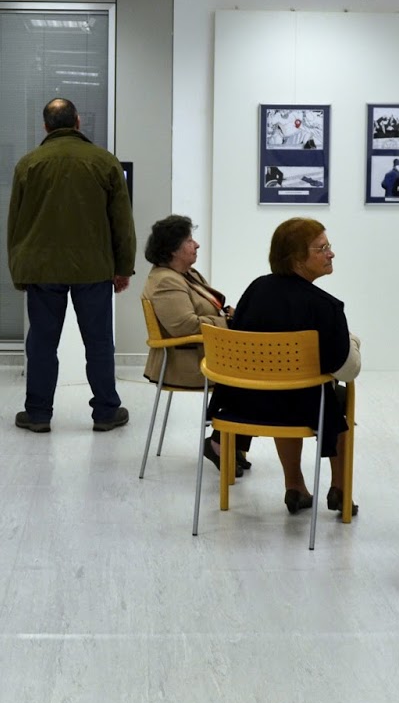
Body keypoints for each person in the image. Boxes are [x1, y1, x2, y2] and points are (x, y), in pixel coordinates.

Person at [208, 218, 360, 515]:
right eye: (322, 248)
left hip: (244, 404)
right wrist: (353, 341)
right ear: (296, 259)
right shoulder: (326, 306)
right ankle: (340, 489)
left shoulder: (255, 290)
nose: (331, 253)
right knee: (338, 396)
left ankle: (295, 486)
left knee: (284, 387)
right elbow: (347, 370)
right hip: (301, 409)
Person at [7, 97, 137, 433]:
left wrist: (18, 270)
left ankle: (38, 414)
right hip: (93, 268)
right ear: (78, 122)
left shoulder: (28, 164)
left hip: (42, 268)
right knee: (98, 343)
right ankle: (106, 411)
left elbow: (16, 223)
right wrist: (123, 267)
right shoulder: (104, 162)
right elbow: (122, 222)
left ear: (45, 126)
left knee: (41, 343)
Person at [140, 215, 244, 475]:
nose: (196, 245)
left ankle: (230, 441)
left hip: (205, 351)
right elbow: (185, 326)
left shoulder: (186, 274)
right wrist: (227, 322)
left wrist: (227, 316)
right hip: (186, 360)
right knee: (251, 375)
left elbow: (209, 311)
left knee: (254, 370)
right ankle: (221, 442)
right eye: (189, 240)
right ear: (172, 249)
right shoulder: (166, 281)